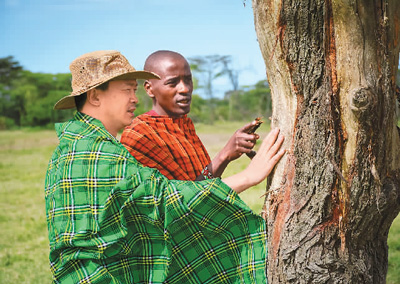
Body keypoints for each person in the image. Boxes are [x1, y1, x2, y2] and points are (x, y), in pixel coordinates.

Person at [45, 50, 285, 283]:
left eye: (134, 90)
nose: (134, 99)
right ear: (95, 97)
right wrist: (249, 176)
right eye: (126, 90)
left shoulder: (78, 145)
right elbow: (164, 200)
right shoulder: (95, 152)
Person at [121, 50, 261, 181]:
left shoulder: (185, 125)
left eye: (188, 80)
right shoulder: (139, 135)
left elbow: (203, 183)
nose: (185, 88)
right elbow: (179, 200)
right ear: (149, 89)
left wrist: (233, 152)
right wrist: (224, 155)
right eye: (172, 83)